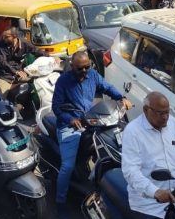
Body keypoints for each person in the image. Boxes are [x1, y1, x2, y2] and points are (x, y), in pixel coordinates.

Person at [52, 51, 132, 209]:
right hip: (70, 126)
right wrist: (70, 119)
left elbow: (107, 87)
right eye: (80, 68)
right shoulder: (63, 81)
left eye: (86, 67)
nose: (84, 71)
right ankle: (60, 201)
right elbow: (56, 107)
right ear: (72, 66)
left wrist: (121, 98)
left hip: (91, 120)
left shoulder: (93, 75)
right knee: (67, 166)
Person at [0, 27, 46, 95]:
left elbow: (37, 51)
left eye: (6, 37)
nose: (4, 39)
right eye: (3, 36)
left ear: (15, 36)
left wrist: (52, 58)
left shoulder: (25, 43)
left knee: (36, 86)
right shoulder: (0, 45)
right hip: (5, 76)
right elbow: (2, 62)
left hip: (19, 76)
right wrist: (16, 72)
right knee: (1, 96)